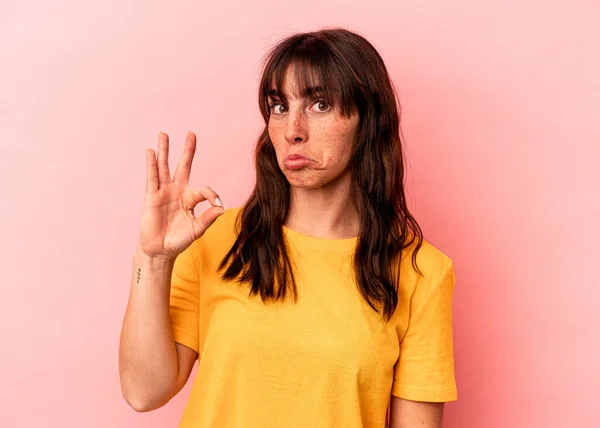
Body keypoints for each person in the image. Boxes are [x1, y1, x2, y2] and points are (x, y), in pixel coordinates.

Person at [119, 27, 457, 428]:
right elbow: (143, 391)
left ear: (368, 119)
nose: (293, 130)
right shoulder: (216, 238)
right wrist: (154, 259)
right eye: (279, 107)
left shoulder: (422, 272)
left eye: (319, 105)